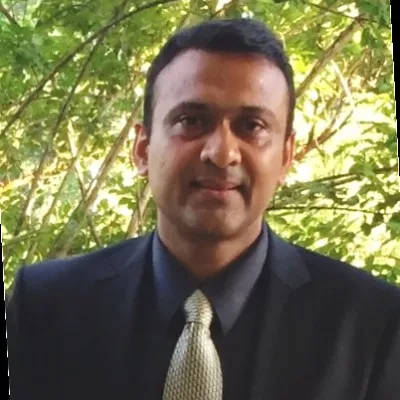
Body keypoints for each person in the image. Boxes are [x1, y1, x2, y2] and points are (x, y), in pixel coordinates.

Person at [6, 18, 400, 400]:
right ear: (142, 149)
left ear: (285, 156)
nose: (222, 153)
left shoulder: (370, 325)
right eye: (191, 120)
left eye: (252, 126)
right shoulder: (45, 308)